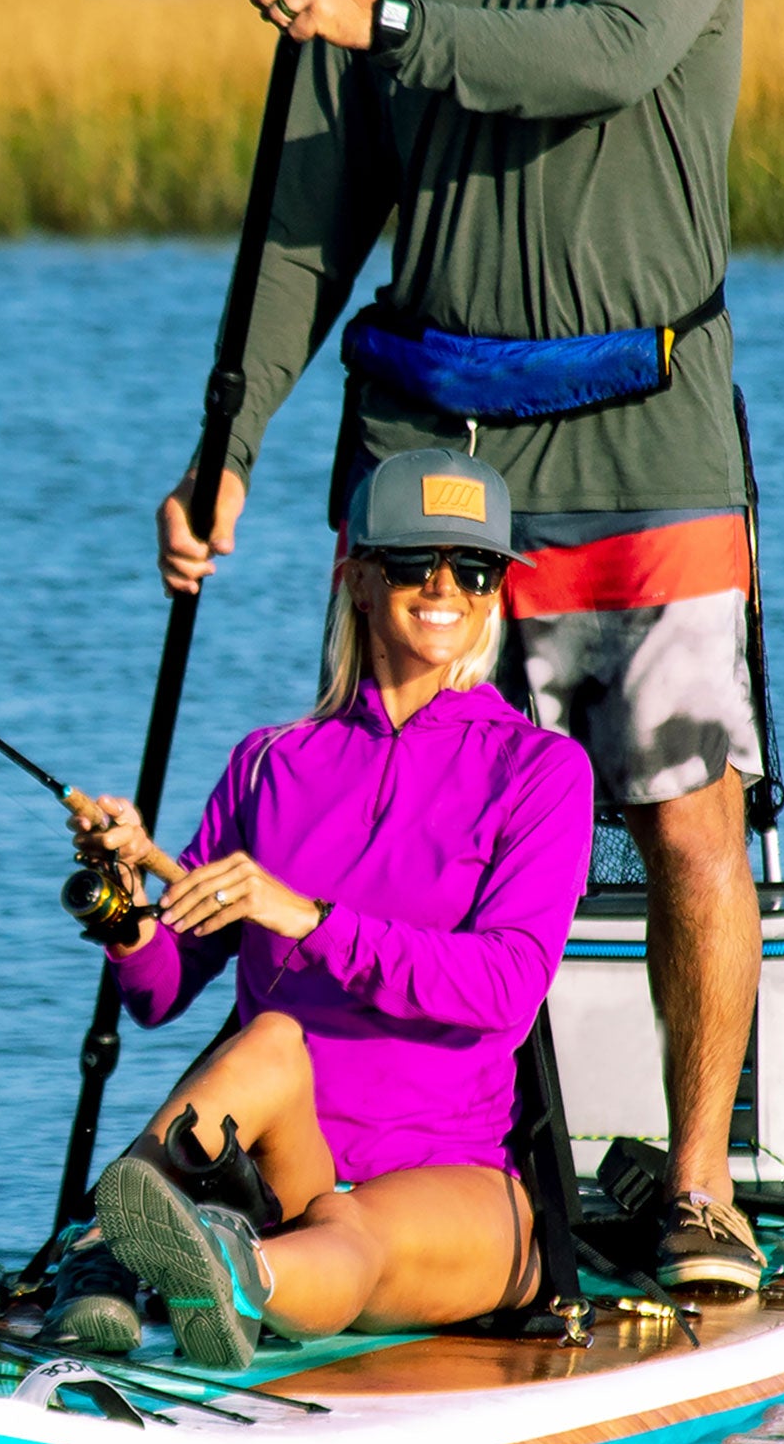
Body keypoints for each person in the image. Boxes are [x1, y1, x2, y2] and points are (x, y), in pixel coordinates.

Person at [155, 0, 766, 1294]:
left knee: (684, 812)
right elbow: (304, 231)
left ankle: (697, 1188)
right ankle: (375, 1204)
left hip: (646, 439)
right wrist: (229, 445)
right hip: (431, 450)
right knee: (392, 828)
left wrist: (392, 27)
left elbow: (609, 54)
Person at [60, 447, 592, 1371]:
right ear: (358, 579)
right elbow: (160, 989)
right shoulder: (271, 764)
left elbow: (506, 985)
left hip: (452, 1183)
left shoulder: (540, 770)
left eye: (474, 568)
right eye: (414, 561)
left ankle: (225, 1274)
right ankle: (111, 1254)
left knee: (351, 1227)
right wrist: (123, 907)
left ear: (496, 592)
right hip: (287, 1165)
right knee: (268, 1041)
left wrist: (310, 919)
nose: (445, 587)